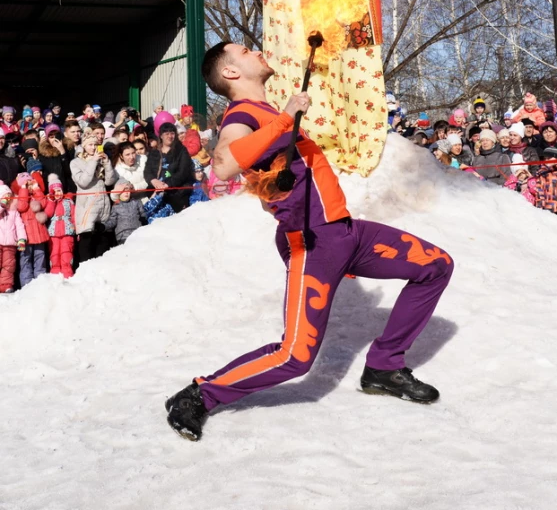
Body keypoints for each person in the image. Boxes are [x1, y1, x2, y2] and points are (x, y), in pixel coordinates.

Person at [164, 41, 454, 442]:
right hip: (314, 245)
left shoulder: (267, 114)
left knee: (435, 265)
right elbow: (225, 164)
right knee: (296, 357)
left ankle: (385, 367)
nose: (256, 51)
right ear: (231, 73)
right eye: (245, 51)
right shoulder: (243, 114)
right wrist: (285, 119)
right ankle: (200, 394)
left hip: (347, 233)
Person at [70, 134, 118, 263]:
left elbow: (109, 181)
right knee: (87, 246)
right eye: (90, 145)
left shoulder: (101, 160)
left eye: (95, 145)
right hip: (87, 208)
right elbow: (83, 182)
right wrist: (93, 161)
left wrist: (107, 162)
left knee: (102, 247)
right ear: (84, 146)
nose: (93, 147)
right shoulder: (75, 162)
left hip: (103, 206)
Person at [144, 122, 194, 214]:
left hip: (177, 192)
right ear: (161, 136)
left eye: (172, 133)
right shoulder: (154, 152)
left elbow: (183, 172)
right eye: (166, 134)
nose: (170, 136)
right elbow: (147, 171)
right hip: (156, 191)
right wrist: (154, 181)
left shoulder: (181, 151)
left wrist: (167, 184)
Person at [14, 172, 49, 286]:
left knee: (40, 257)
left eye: (30, 183)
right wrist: (23, 189)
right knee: (25, 259)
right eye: (26, 184)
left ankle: (40, 281)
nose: (28, 186)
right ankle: (26, 283)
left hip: (39, 233)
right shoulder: (20, 197)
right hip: (26, 235)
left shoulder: (36, 195)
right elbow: (21, 207)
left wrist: (36, 188)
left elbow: (43, 203)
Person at [44, 174, 76, 277]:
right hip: (53, 232)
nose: (57, 193)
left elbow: (73, 215)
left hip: (67, 231)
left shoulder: (68, 201)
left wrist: (75, 227)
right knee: (54, 254)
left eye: (59, 190)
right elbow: (48, 213)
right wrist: (51, 201)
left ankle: (67, 274)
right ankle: (55, 274)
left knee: (66, 253)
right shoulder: (50, 202)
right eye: (54, 191)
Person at [0, 184, 26, 293]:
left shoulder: (14, 213)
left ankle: (5, 285)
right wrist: (2, 205)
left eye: (9, 197)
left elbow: (20, 226)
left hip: (10, 244)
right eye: (5, 197)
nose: (7, 200)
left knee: (9, 266)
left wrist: (22, 239)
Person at [534, 146, 557, 217]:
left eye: (549, 158)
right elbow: (540, 192)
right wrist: (539, 208)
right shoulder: (542, 173)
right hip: (549, 208)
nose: (547, 160)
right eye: (545, 158)